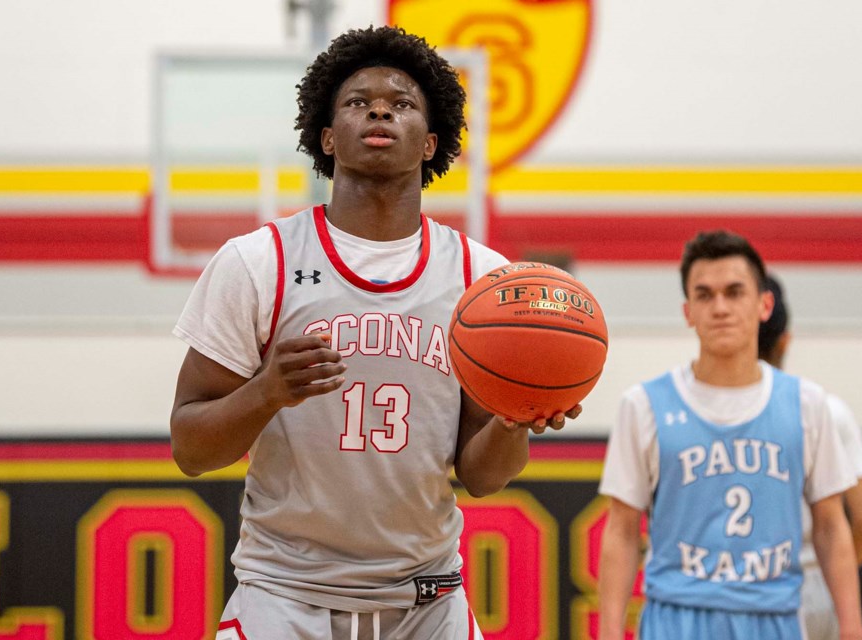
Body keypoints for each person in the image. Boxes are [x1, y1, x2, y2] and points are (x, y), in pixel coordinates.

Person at [169, 25, 577, 640]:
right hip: (284, 595)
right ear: (327, 137)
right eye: (358, 101)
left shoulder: (482, 281)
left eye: (402, 102)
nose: (380, 108)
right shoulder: (258, 262)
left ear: (430, 142)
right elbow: (190, 450)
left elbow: (484, 476)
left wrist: (515, 416)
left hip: (427, 601)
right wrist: (267, 392)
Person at [597, 230, 862, 640]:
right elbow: (621, 529)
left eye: (734, 292)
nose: (719, 307)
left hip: (774, 616)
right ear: (688, 312)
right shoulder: (644, 404)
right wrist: (611, 632)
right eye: (704, 295)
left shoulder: (808, 404)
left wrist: (851, 627)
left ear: (764, 304)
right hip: (676, 617)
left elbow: (831, 526)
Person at [759, 273, 862, 640]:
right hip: (811, 586)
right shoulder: (827, 409)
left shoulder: (699, 414)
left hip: (732, 589)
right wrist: (830, 580)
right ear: (786, 340)